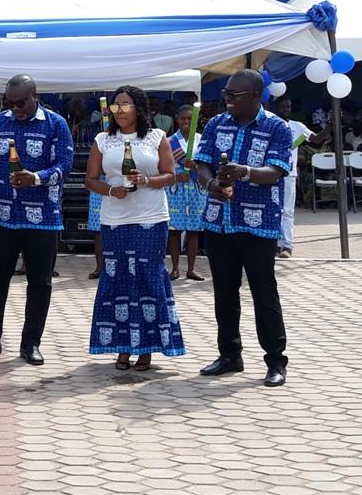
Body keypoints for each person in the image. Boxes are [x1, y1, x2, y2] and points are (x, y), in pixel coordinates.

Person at [0, 75, 74, 366]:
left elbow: (65, 165)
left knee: (39, 283)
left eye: (21, 103)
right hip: (2, 217)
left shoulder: (55, 124)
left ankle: (31, 344)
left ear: (35, 95)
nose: (16, 109)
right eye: (11, 103)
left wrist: (37, 178)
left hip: (42, 220)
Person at [194, 69, 293, 388]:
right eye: (225, 93)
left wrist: (245, 172)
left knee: (263, 291)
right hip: (218, 221)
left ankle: (276, 360)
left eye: (233, 95)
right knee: (224, 292)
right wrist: (211, 184)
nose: (226, 100)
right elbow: (202, 162)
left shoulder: (277, 127)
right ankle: (229, 355)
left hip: (257, 223)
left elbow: (276, 171)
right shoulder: (215, 123)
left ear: (254, 96)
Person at [85, 86, 183, 370]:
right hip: (115, 218)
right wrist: (110, 190)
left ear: (139, 108)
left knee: (147, 276)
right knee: (117, 278)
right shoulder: (103, 140)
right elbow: (91, 179)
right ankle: (122, 346)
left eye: (126, 105)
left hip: (151, 217)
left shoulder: (156, 137)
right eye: (116, 106)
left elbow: (170, 175)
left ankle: (148, 347)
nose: (120, 111)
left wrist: (146, 180)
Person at [273, 97, 328, 258]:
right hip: (270, 172)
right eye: (282, 107)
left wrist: (330, 126)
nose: (285, 110)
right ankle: (274, 243)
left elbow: (316, 139)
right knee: (274, 208)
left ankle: (287, 246)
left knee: (287, 210)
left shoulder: (297, 126)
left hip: (289, 174)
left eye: (288, 107)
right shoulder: (270, 123)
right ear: (277, 108)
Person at [166, 104, 208, 280]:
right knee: (174, 230)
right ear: (177, 119)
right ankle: (174, 268)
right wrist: (176, 176)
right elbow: (161, 167)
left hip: (197, 189)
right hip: (177, 189)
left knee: (194, 230)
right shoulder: (169, 142)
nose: (186, 121)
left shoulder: (202, 140)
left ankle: (191, 268)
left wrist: (196, 166)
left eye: (190, 119)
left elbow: (208, 165)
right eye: (183, 118)